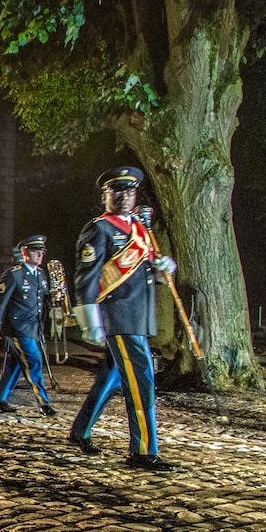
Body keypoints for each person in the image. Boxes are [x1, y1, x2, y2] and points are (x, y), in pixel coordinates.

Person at [69, 166, 177, 471]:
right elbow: (86, 278)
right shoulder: (99, 229)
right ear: (106, 195)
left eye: (129, 191)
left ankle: (80, 430)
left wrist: (161, 269)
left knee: (111, 378)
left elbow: (142, 274)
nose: (124, 196)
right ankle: (142, 451)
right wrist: (90, 321)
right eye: (116, 191)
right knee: (143, 382)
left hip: (137, 315)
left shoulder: (139, 230)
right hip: (119, 316)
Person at [0, 235, 55, 416]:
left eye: (42, 252)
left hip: (33, 327)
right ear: (25, 253)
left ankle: (0, 399)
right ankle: (44, 402)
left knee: (16, 365)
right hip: (18, 327)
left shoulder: (40, 274)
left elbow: (42, 300)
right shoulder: (14, 274)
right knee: (34, 361)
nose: (40, 255)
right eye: (35, 251)